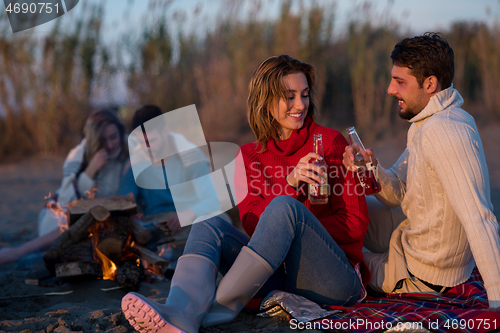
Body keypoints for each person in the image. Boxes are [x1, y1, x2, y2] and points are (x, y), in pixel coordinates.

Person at [121, 55, 370, 332]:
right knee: (208, 222)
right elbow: (252, 224)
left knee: (285, 208)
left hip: (334, 280)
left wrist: (300, 226)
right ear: (265, 101)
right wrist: (289, 183)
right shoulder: (249, 156)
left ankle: (213, 310)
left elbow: (355, 227)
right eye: (289, 97)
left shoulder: (331, 142)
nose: (300, 105)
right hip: (278, 278)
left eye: (305, 95)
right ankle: (180, 312)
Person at [343, 33, 500, 308]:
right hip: (410, 235)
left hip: (421, 273)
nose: (391, 90)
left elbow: (480, 218)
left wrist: (497, 300)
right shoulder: (428, 121)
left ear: (430, 84)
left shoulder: (445, 131)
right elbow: (398, 192)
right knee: (341, 206)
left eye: (400, 82)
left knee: (339, 259)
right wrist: (371, 169)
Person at [0, 109, 129, 264]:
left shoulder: (128, 149)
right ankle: (19, 252)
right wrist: (90, 171)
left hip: (105, 217)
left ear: (120, 133)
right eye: (103, 140)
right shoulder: (79, 154)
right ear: (95, 140)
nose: (110, 145)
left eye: (113, 137)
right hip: (62, 215)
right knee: (84, 218)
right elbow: (67, 200)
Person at [118, 105, 229, 259]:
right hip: (155, 224)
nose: (147, 147)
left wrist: (188, 214)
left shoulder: (190, 156)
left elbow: (211, 200)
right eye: (142, 142)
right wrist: (132, 212)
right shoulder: (135, 163)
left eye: (152, 140)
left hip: (190, 221)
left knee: (222, 221)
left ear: (165, 132)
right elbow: (123, 201)